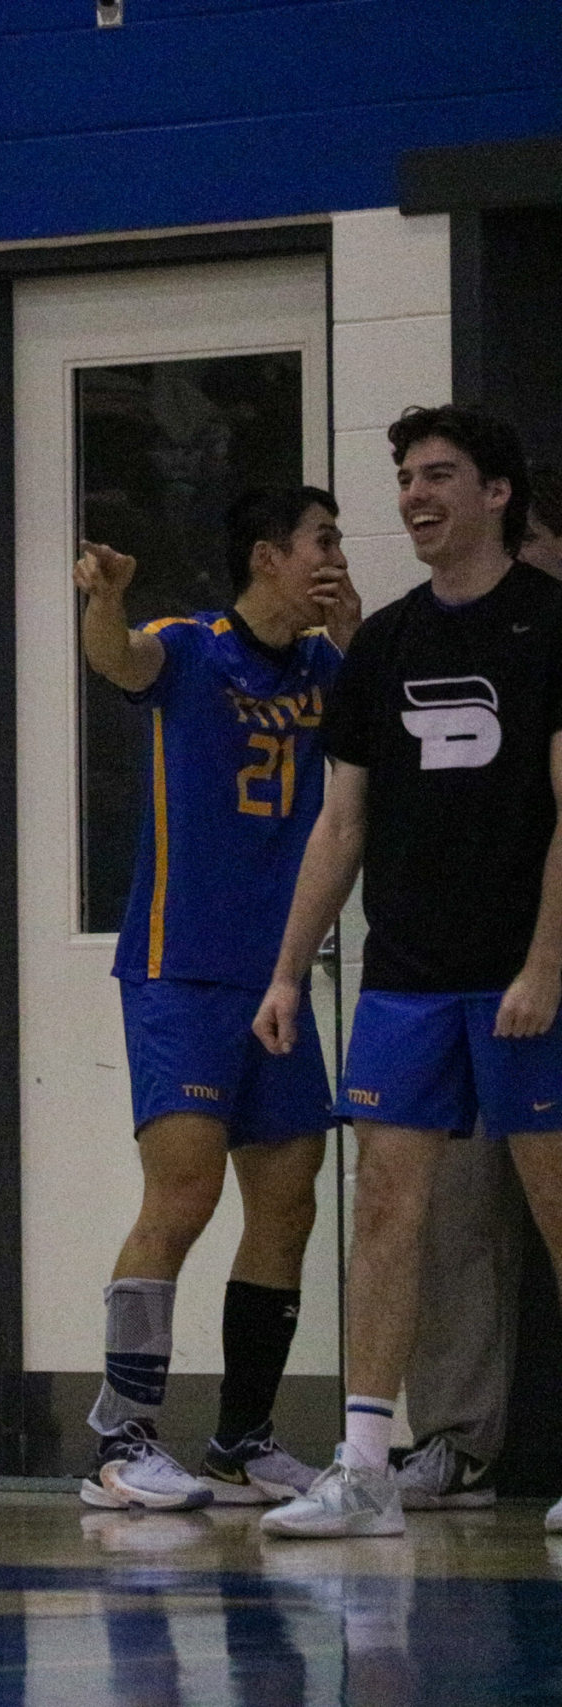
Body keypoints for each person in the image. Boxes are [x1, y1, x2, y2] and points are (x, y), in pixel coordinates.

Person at [254, 406, 562, 1539]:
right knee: (385, 1208)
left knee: (552, 1205)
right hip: (405, 977)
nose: (414, 495)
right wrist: (289, 973)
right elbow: (339, 826)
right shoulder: (380, 645)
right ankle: (367, 1465)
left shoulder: (550, 626)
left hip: (522, 979)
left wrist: (544, 963)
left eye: (440, 475)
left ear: (497, 493)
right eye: (404, 478)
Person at [68, 488, 359, 1511]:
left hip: (276, 973)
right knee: (183, 1193)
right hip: (179, 965)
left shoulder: (328, 668)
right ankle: (120, 1437)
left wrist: (353, 625)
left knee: (287, 1198)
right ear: (267, 556)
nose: (333, 555)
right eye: (322, 540)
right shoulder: (191, 646)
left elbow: (379, 738)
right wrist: (104, 597)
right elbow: (118, 661)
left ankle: (242, 1442)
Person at [397, 458, 562, 1511]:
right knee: (450, 1216)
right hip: (463, 975)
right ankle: (450, 1439)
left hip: (541, 966)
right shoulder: (430, 642)